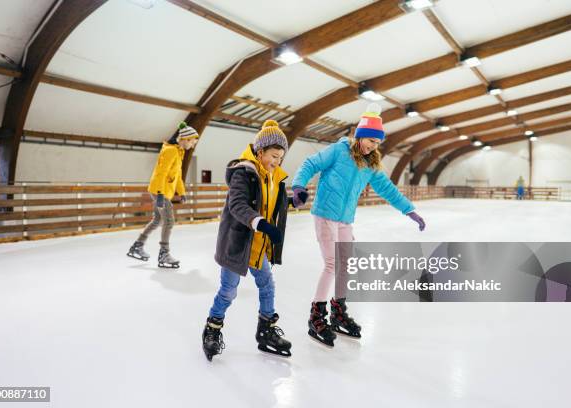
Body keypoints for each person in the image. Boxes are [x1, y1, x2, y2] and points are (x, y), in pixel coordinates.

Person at [291, 103, 426, 347]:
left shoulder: (371, 164)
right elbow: (310, 164)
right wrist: (299, 186)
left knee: (346, 264)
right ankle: (316, 316)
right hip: (325, 214)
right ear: (360, 136)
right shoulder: (338, 150)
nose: (373, 146)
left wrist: (409, 210)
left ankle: (338, 311)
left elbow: (388, 189)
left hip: (344, 219)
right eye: (370, 140)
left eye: (377, 143)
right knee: (332, 264)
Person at [202, 120, 293, 361]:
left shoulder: (272, 176)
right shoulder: (243, 172)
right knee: (228, 291)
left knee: (267, 284)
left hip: (258, 246)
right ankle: (212, 329)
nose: (276, 162)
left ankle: (266, 330)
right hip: (238, 244)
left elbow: (272, 202)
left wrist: (293, 199)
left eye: (280, 159)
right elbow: (238, 205)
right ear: (260, 150)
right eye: (273, 156)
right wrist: (261, 224)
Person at [127, 122, 199, 268]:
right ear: (185, 139)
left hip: (164, 191)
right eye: (192, 142)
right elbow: (161, 173)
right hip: (161, 191)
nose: (192, 146)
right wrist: (160, 194)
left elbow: (177, 175)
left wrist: (181, 192)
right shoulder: (170, 151)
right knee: (169, 221)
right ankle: (164, 254)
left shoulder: (179, 152)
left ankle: (137, 245)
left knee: (158, 220)